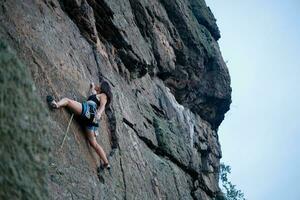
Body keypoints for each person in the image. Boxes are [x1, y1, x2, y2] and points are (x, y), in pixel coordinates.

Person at [47, 80, 112, 170]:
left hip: (89, 111)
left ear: (103, 87)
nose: (98, 85)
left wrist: (100, 113)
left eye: (100, 84)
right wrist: (93, 86)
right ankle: (106, 163)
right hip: (90, 120)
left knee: (67, 101)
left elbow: (102, 106)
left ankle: (56, 105)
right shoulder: (96, 94)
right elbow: (93, 91)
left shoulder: (103, 96)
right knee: (94, 143)